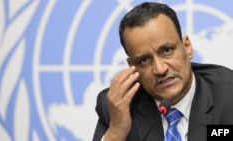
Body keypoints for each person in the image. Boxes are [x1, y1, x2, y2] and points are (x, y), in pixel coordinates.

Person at [92, 2, 233, 141]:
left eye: (166, 51)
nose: (160, 69)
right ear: (132, 66)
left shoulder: (228, 95)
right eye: (144, 60)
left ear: (187, 47)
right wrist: (116, 133)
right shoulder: (120, 107)